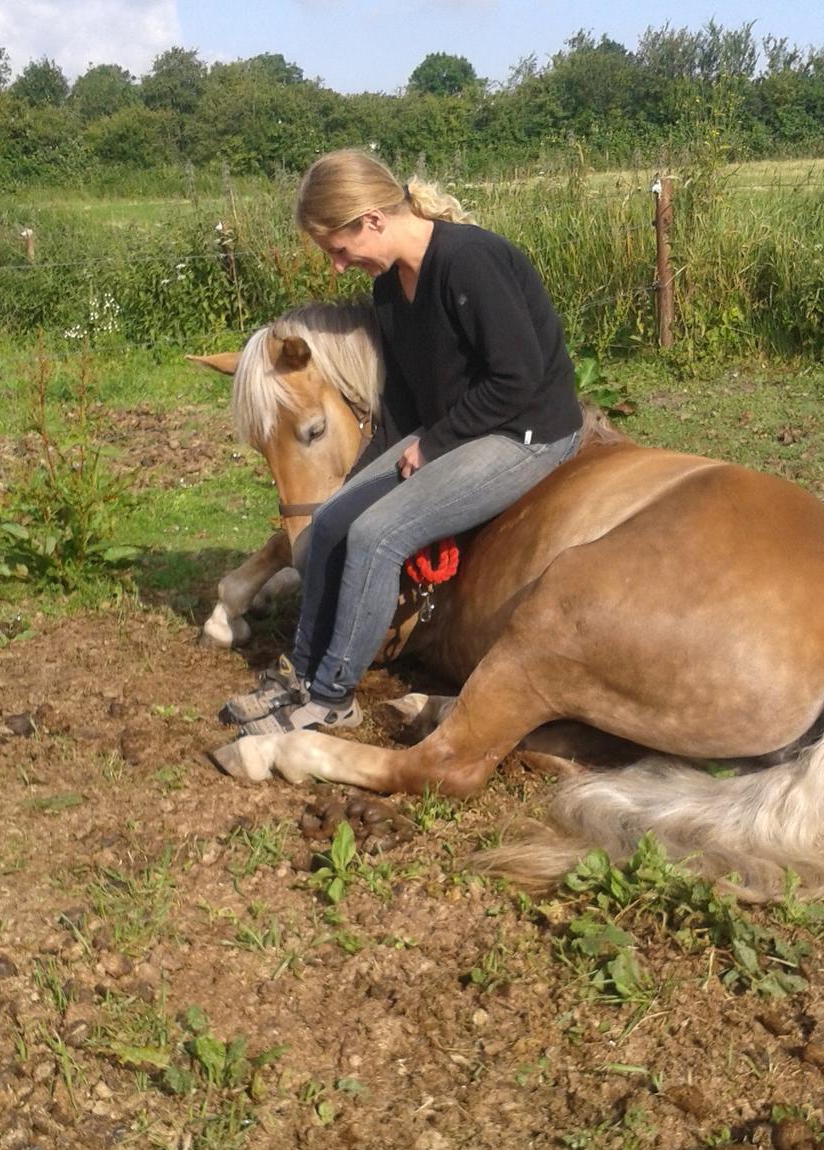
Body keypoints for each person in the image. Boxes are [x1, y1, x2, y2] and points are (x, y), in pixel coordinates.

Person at [220, 148, 584, 736]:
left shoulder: (471, 263)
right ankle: (300, 674)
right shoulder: (390, 289)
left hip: (526, 431)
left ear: (371, 220)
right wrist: (364, 475)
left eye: (337, 250)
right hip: (457, 425)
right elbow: (405, 401)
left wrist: (435, 445)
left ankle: (333, 696)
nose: (337, 267)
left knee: (376, 535)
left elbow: (516, 378)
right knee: (335, 518)